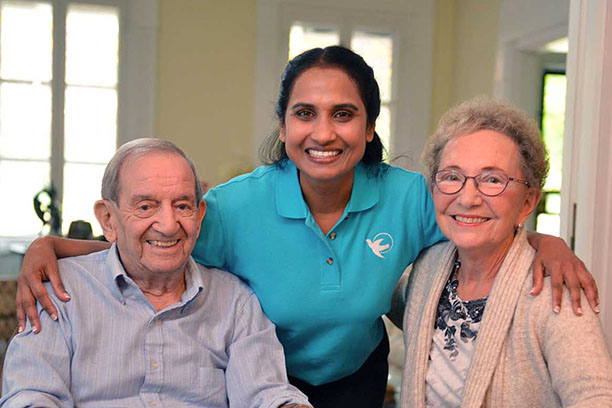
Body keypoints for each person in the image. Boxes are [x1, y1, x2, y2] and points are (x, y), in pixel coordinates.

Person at [15, 47, 598, 407]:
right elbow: (157, 238)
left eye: (344, 114)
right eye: (305, 113)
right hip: (257, 379)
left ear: (369, 128)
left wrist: (545, 238)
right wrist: (51, 246)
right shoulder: (235, 207)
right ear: (284, 125)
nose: (324, 132)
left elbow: (478, 214)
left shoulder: (409, 196)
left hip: (354, 379)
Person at [1, 139, 311, 408]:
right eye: (146, 207)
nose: (167, 224)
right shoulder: (61, 290)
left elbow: (267, 394)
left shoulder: (236, 302)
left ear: (200, 215)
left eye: (182, 206)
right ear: (108, 219)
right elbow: (31, 395)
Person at [390, 98, 612, 407]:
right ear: (434, 190)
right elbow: (372, 298)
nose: (468, 198)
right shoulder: (425, 270)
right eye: (452, 176)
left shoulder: (555, 289)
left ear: (527, 202)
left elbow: (596, 397)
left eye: (492, 180)